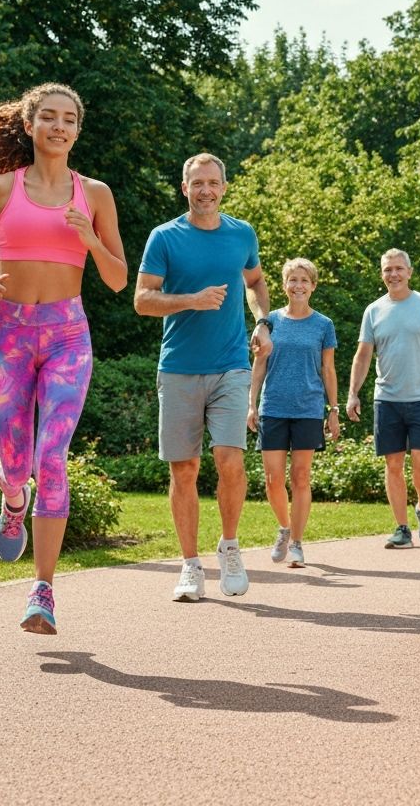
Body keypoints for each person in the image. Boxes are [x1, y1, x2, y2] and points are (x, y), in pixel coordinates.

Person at [0, 83, 127, 634]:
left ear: (78, 130)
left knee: (53, 457)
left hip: (67, 335)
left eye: (69, 119)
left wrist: (90, 238)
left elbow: (118, 280)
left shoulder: (95, 194)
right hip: (8, 336)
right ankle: (13, 497)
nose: (59, 127)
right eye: (49, 117)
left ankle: (42, 591)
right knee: (18, 463)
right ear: (30, 124)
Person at [134, 152, 271, 602]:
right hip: (178, 367)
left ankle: (229, 547)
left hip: (231, 364)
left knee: (230, 460)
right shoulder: (164, 237)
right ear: (185, 188)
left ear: (224, 187)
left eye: (213, 183)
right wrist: (191, 300)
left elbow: (255, 281)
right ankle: (190, 565)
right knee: (185, 468)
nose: (206, 190)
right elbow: (142, 299)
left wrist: (263, 322)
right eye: (198, 183)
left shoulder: (242, 233)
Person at [346, 249, 420, 549]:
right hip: (387, 399)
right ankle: (401, 529)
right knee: (393, 464)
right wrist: (353, 393)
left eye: (399, 268)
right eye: (388, 269)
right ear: (382, 274)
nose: (394, 274)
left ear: (409, 272)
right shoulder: (373, 311)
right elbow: (363, 355)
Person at [247, 258, 339, 567]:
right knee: (273, 480)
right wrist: (251, 403)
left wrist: (333, 409)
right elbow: (259, 364)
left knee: (300, 477)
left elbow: (328, 369)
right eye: (293, 280)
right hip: (273, 407)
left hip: (308, 408)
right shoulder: (269, 322)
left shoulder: (323, 325)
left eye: (304, 280)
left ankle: (297, 543)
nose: (298, 285)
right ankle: (284, 528)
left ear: (313, 286)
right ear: (285, 285)